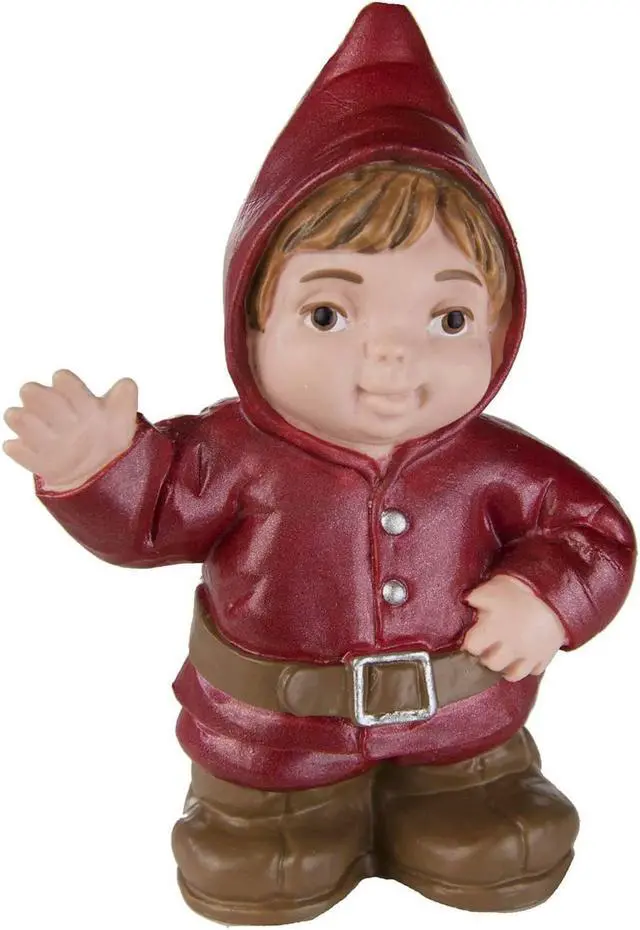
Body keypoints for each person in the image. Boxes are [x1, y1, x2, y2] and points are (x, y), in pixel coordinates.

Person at [3, 3, 635, 923]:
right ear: (251, 321)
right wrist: (100, 470)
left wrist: (549, 596)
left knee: (499, 832)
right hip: (274, 735)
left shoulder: (496, 462)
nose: (393, 356)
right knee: (262, 862)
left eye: (449, 317)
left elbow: (594, 531)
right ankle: (263, 814)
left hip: (463, 720)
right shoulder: (229, 454)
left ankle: (464, 790)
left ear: (501, 331)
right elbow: (152, 516)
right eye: (330, 314)